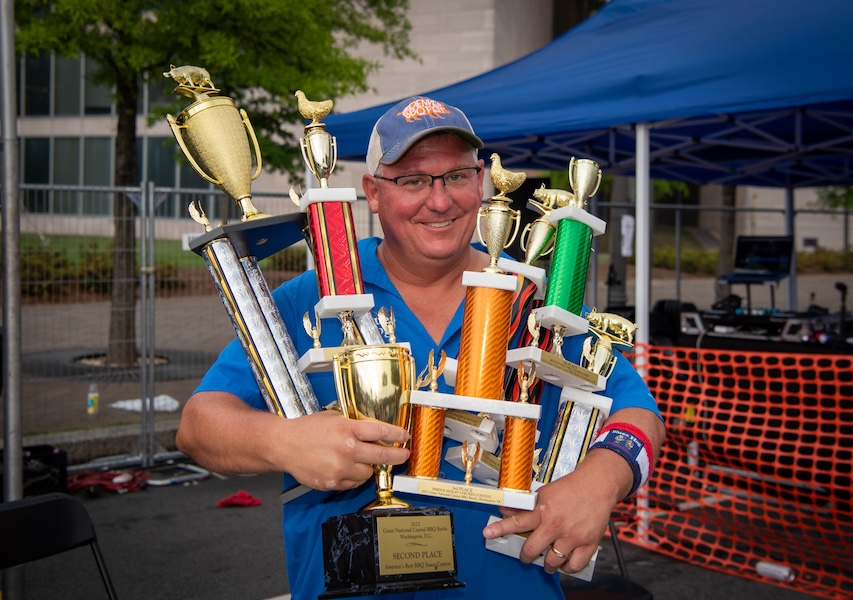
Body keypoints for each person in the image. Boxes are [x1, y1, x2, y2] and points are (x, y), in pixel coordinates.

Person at [176, 96, 665, 599]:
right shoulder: (313, 294)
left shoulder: (533, 300)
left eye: (456, 176)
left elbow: (641, 415)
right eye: (413, 180)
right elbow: (198, 426)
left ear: (480, 182)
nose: (440, 200)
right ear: (372, 191)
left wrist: (601, 481)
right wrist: (284, 441)